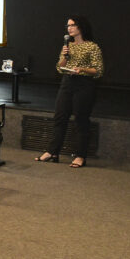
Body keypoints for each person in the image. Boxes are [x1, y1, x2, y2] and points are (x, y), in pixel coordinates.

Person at [36, 15, 104, 168]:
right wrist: (65, 57)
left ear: (81, 27)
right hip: (67, 82)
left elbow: (98, 70)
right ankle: (53, 151)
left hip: (84, 84)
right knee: (60, 117)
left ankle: (80, 156)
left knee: (81, 119)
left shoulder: (92, 47)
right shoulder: (67, 46)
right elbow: (59, 67)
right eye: (68, 26)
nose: (69, 28)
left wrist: (82, 69)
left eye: (73, 25)